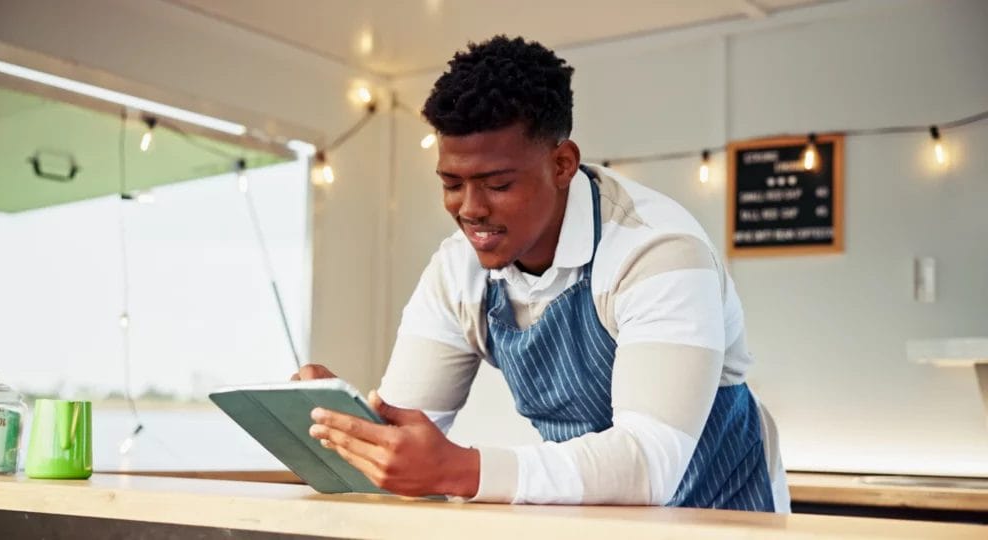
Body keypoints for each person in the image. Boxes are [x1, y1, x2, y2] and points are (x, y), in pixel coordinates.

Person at [299, 35, 790, 512]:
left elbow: (649, 464)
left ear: (562, 164)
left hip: (725, 516)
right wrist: (349, 429)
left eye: (498, 184)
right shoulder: (457, 269)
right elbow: (413, 436)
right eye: (451, 183)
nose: (470, 209)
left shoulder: (657, 251)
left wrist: (462, 470)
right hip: (592, 520)